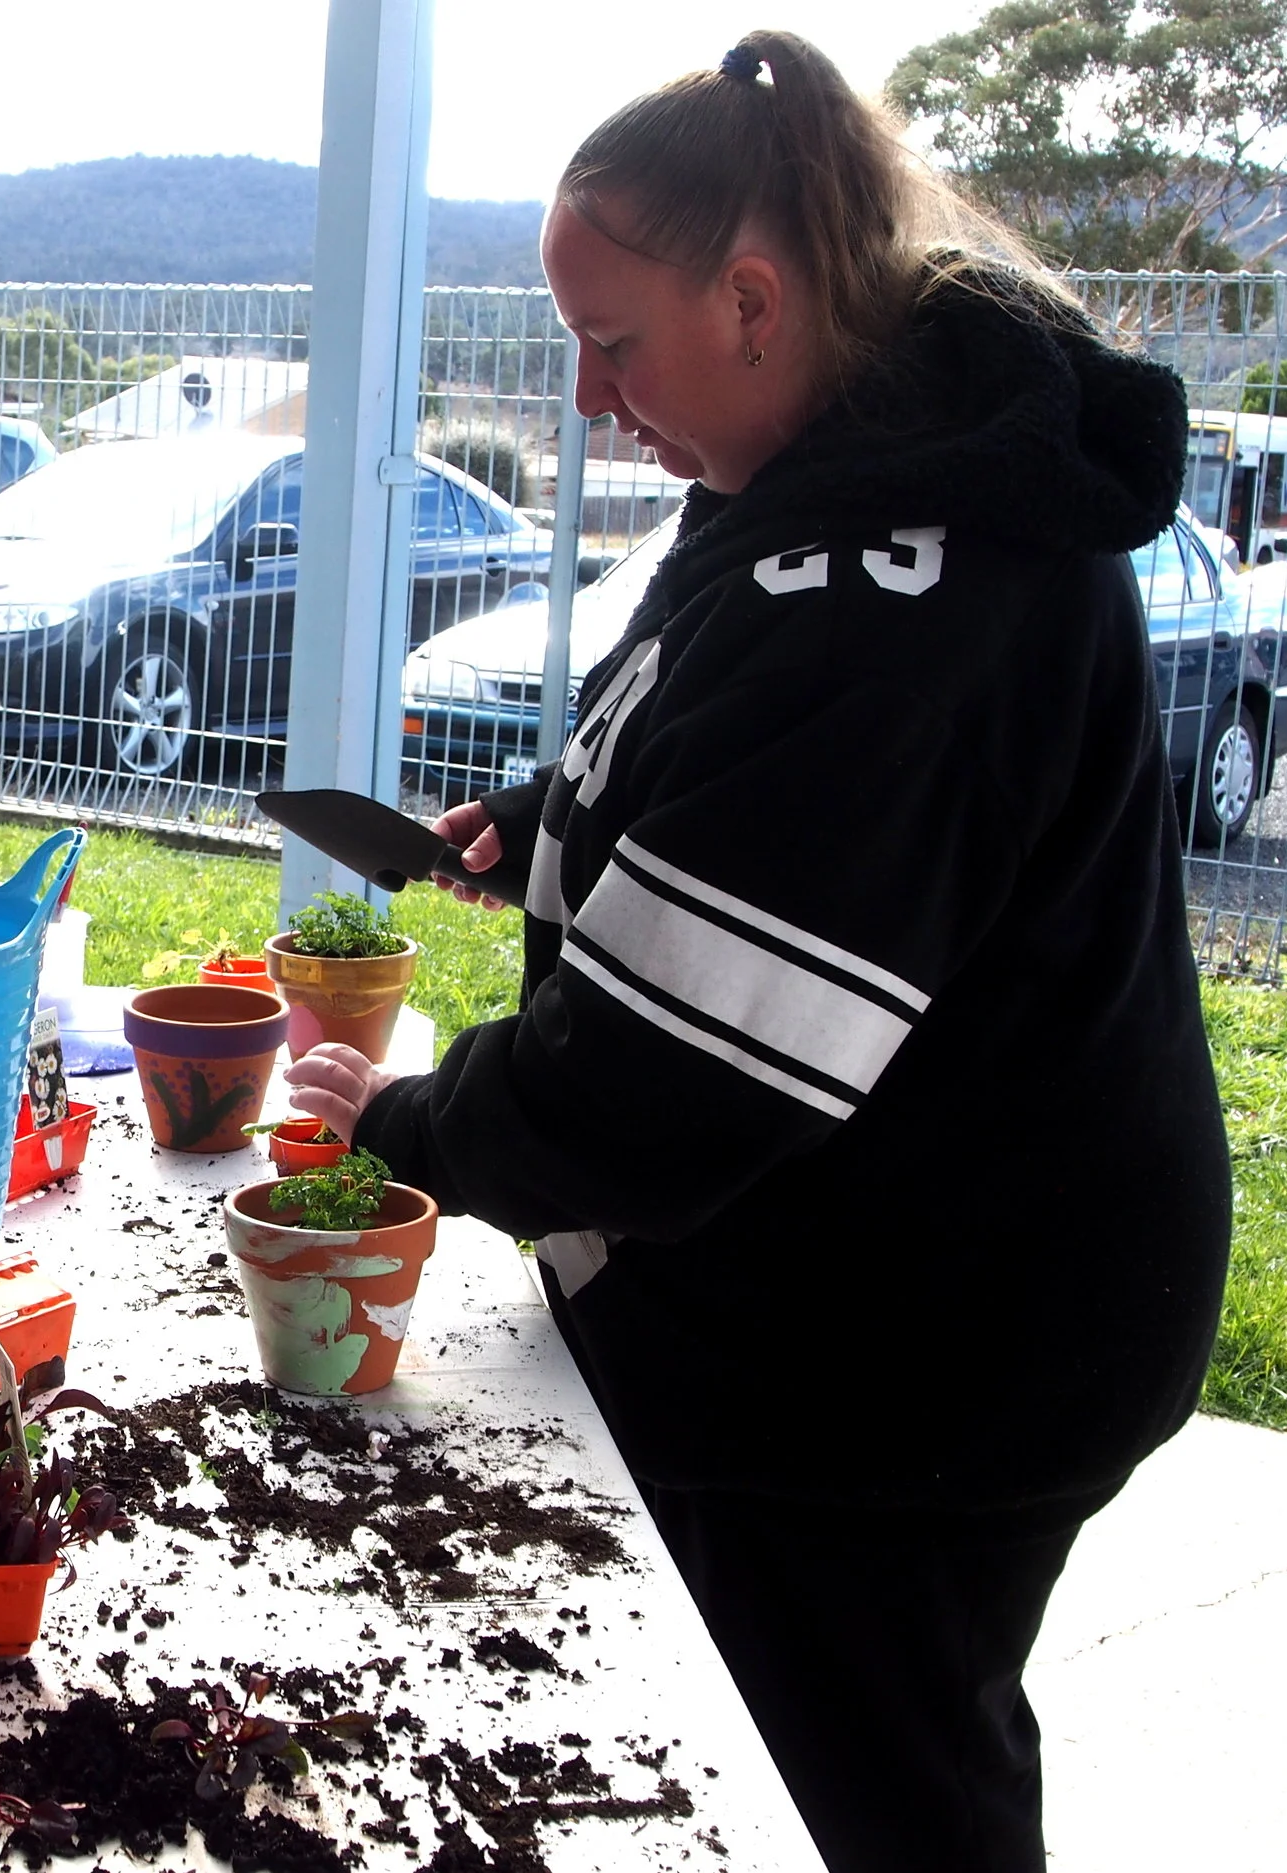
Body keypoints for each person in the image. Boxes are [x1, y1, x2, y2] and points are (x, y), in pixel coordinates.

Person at [286, 30, 1231, 1873]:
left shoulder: (919, 587)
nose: (584, 394)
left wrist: (404, 1131)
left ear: (753, 295)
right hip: (891, 1276)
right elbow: (722, 751)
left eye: (614, 343)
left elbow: (662, 1084)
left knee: (866, 1772)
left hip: (940, 1341)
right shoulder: (831, 466)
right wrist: (555, 813)